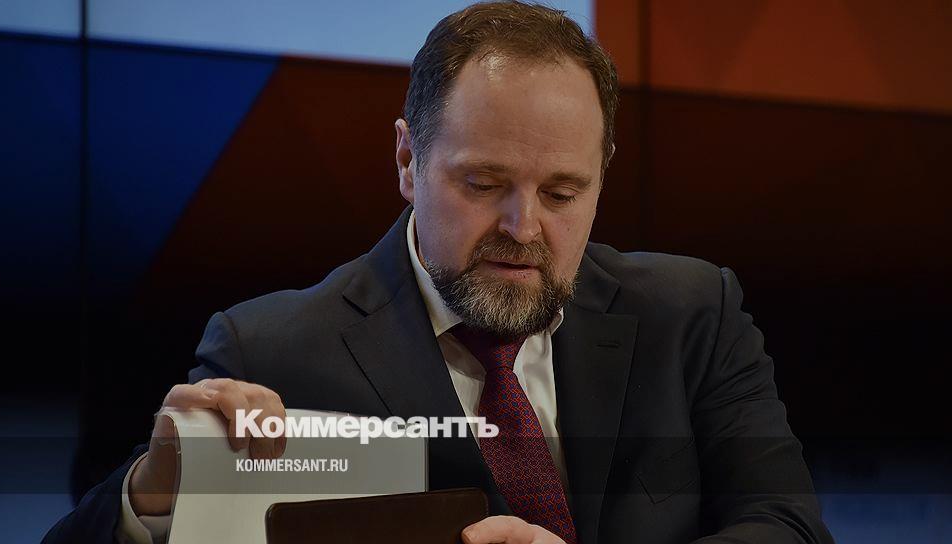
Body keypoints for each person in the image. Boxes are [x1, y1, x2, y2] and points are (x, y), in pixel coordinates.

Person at [44, 2, 833, 543]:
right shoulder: (270, 350)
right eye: (483, 184)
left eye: (563, 193)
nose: (524, 228)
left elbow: (789, 527)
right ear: (406, 160)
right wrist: (151, 498)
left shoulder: (695, 315)